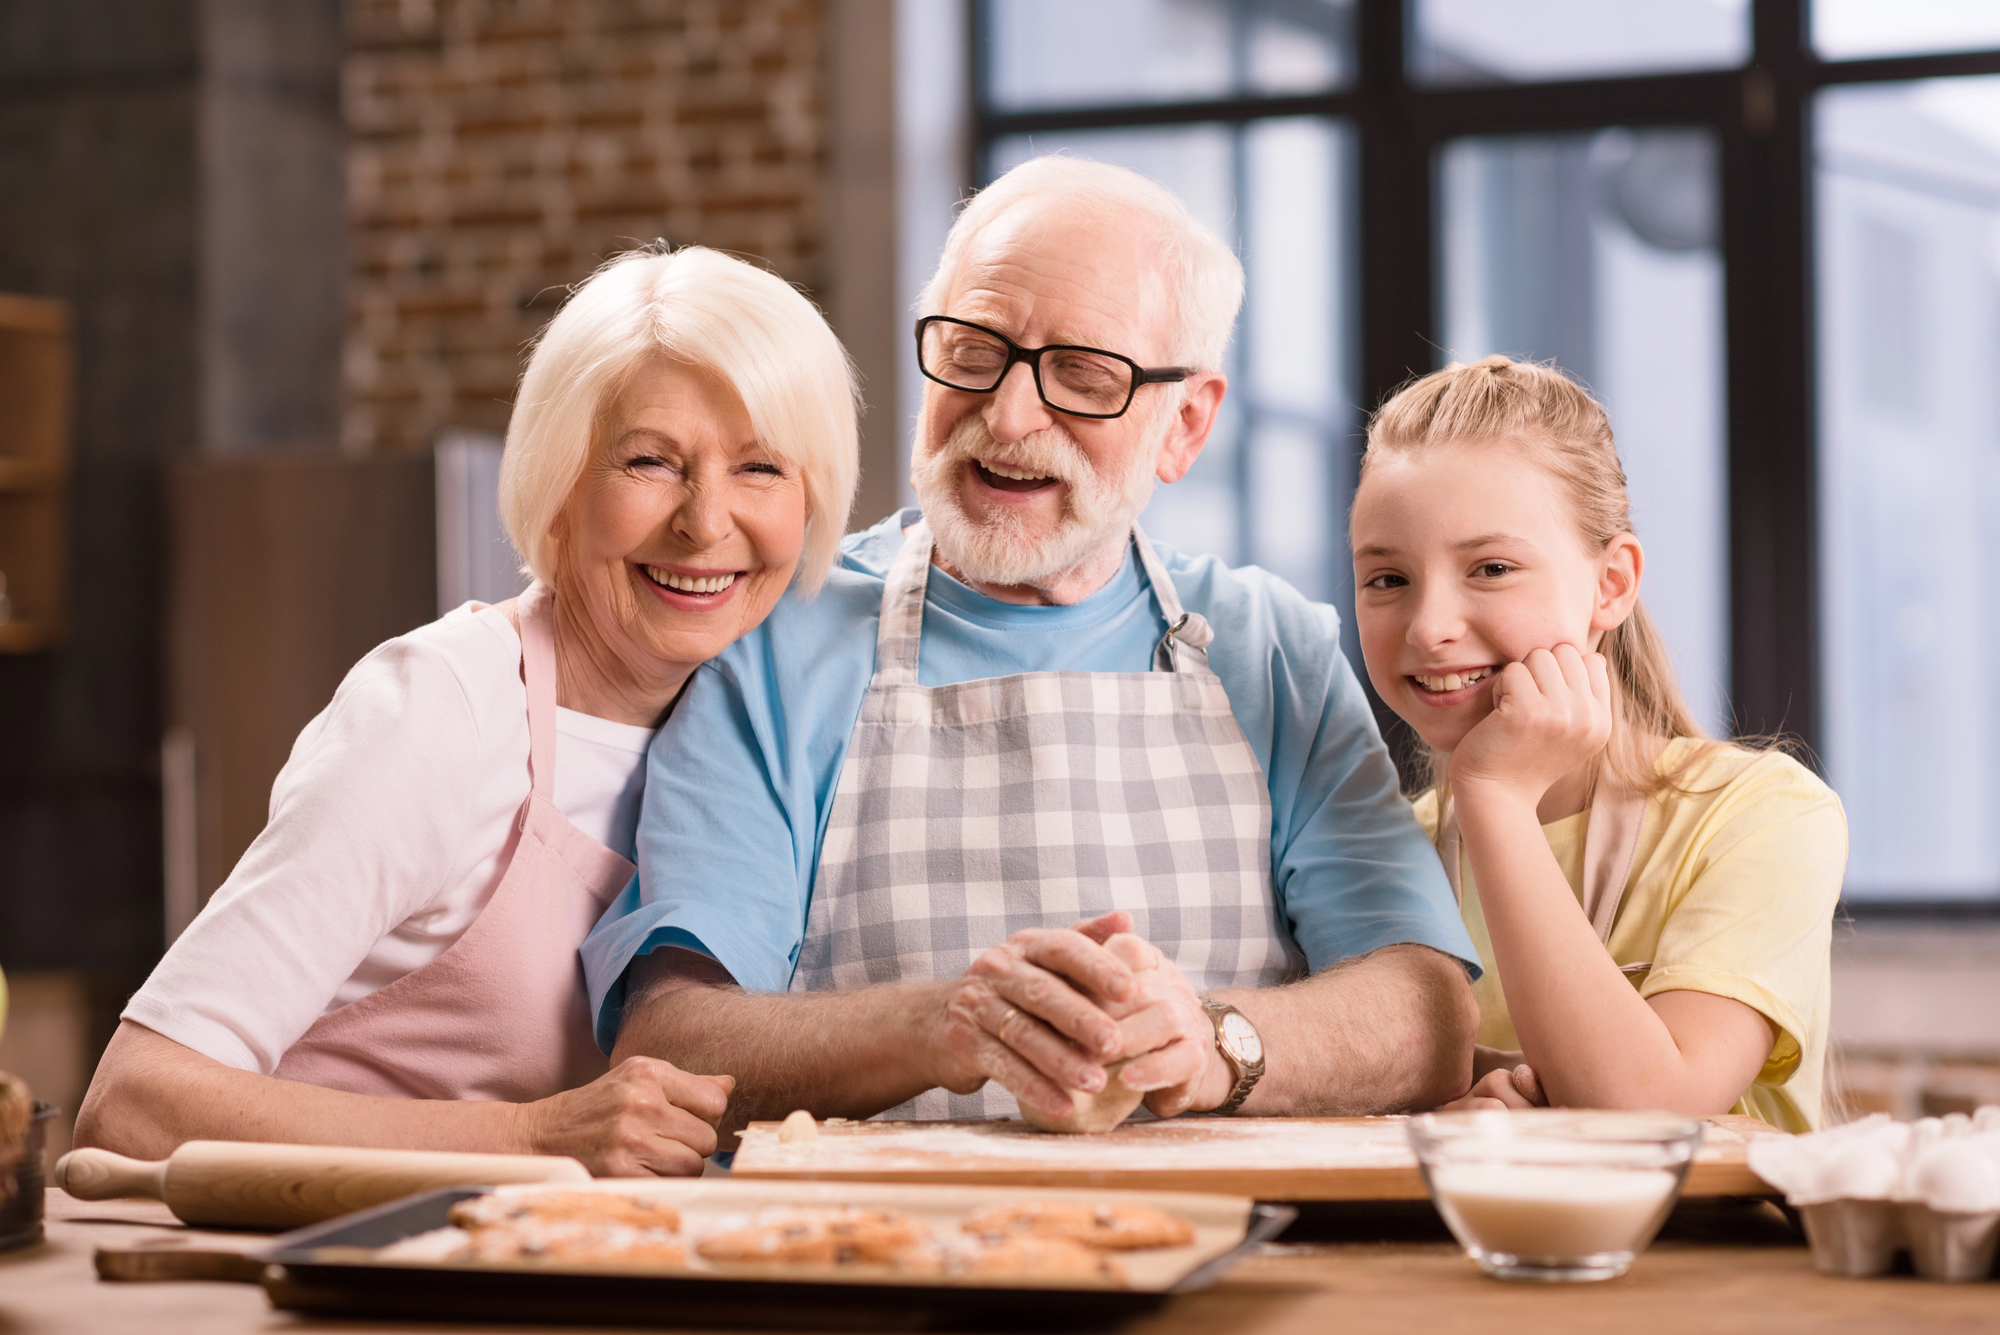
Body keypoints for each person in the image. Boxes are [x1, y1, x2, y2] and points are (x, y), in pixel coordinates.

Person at [582, 155, 1482, 1136]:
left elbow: (1425, 1018)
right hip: (874, 1250)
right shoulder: (774, 640)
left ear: (1184, 423)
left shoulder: (1271, 648)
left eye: (1082, 377)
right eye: (972, 353)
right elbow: (672, 1043)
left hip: (1234, 1246)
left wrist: (1212, 1041)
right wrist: (941, 1026)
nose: (1007, 419)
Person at [74, 246, 860, 1173]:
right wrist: (528, 1138)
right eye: (651, 460)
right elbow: (133, 1100)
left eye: (761, 467)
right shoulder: (442, 710)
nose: (706, 520)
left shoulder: (772, 737)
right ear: (562, 483)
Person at [1347, 355, 1845, 1131]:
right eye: (1387, 579)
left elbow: (1649, 1107)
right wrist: (1453, 1101)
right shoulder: (1383, 852)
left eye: (1492, 567)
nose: (1428, 626)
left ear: (1611, 584)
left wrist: (1497, 795)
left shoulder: (1766, 816)